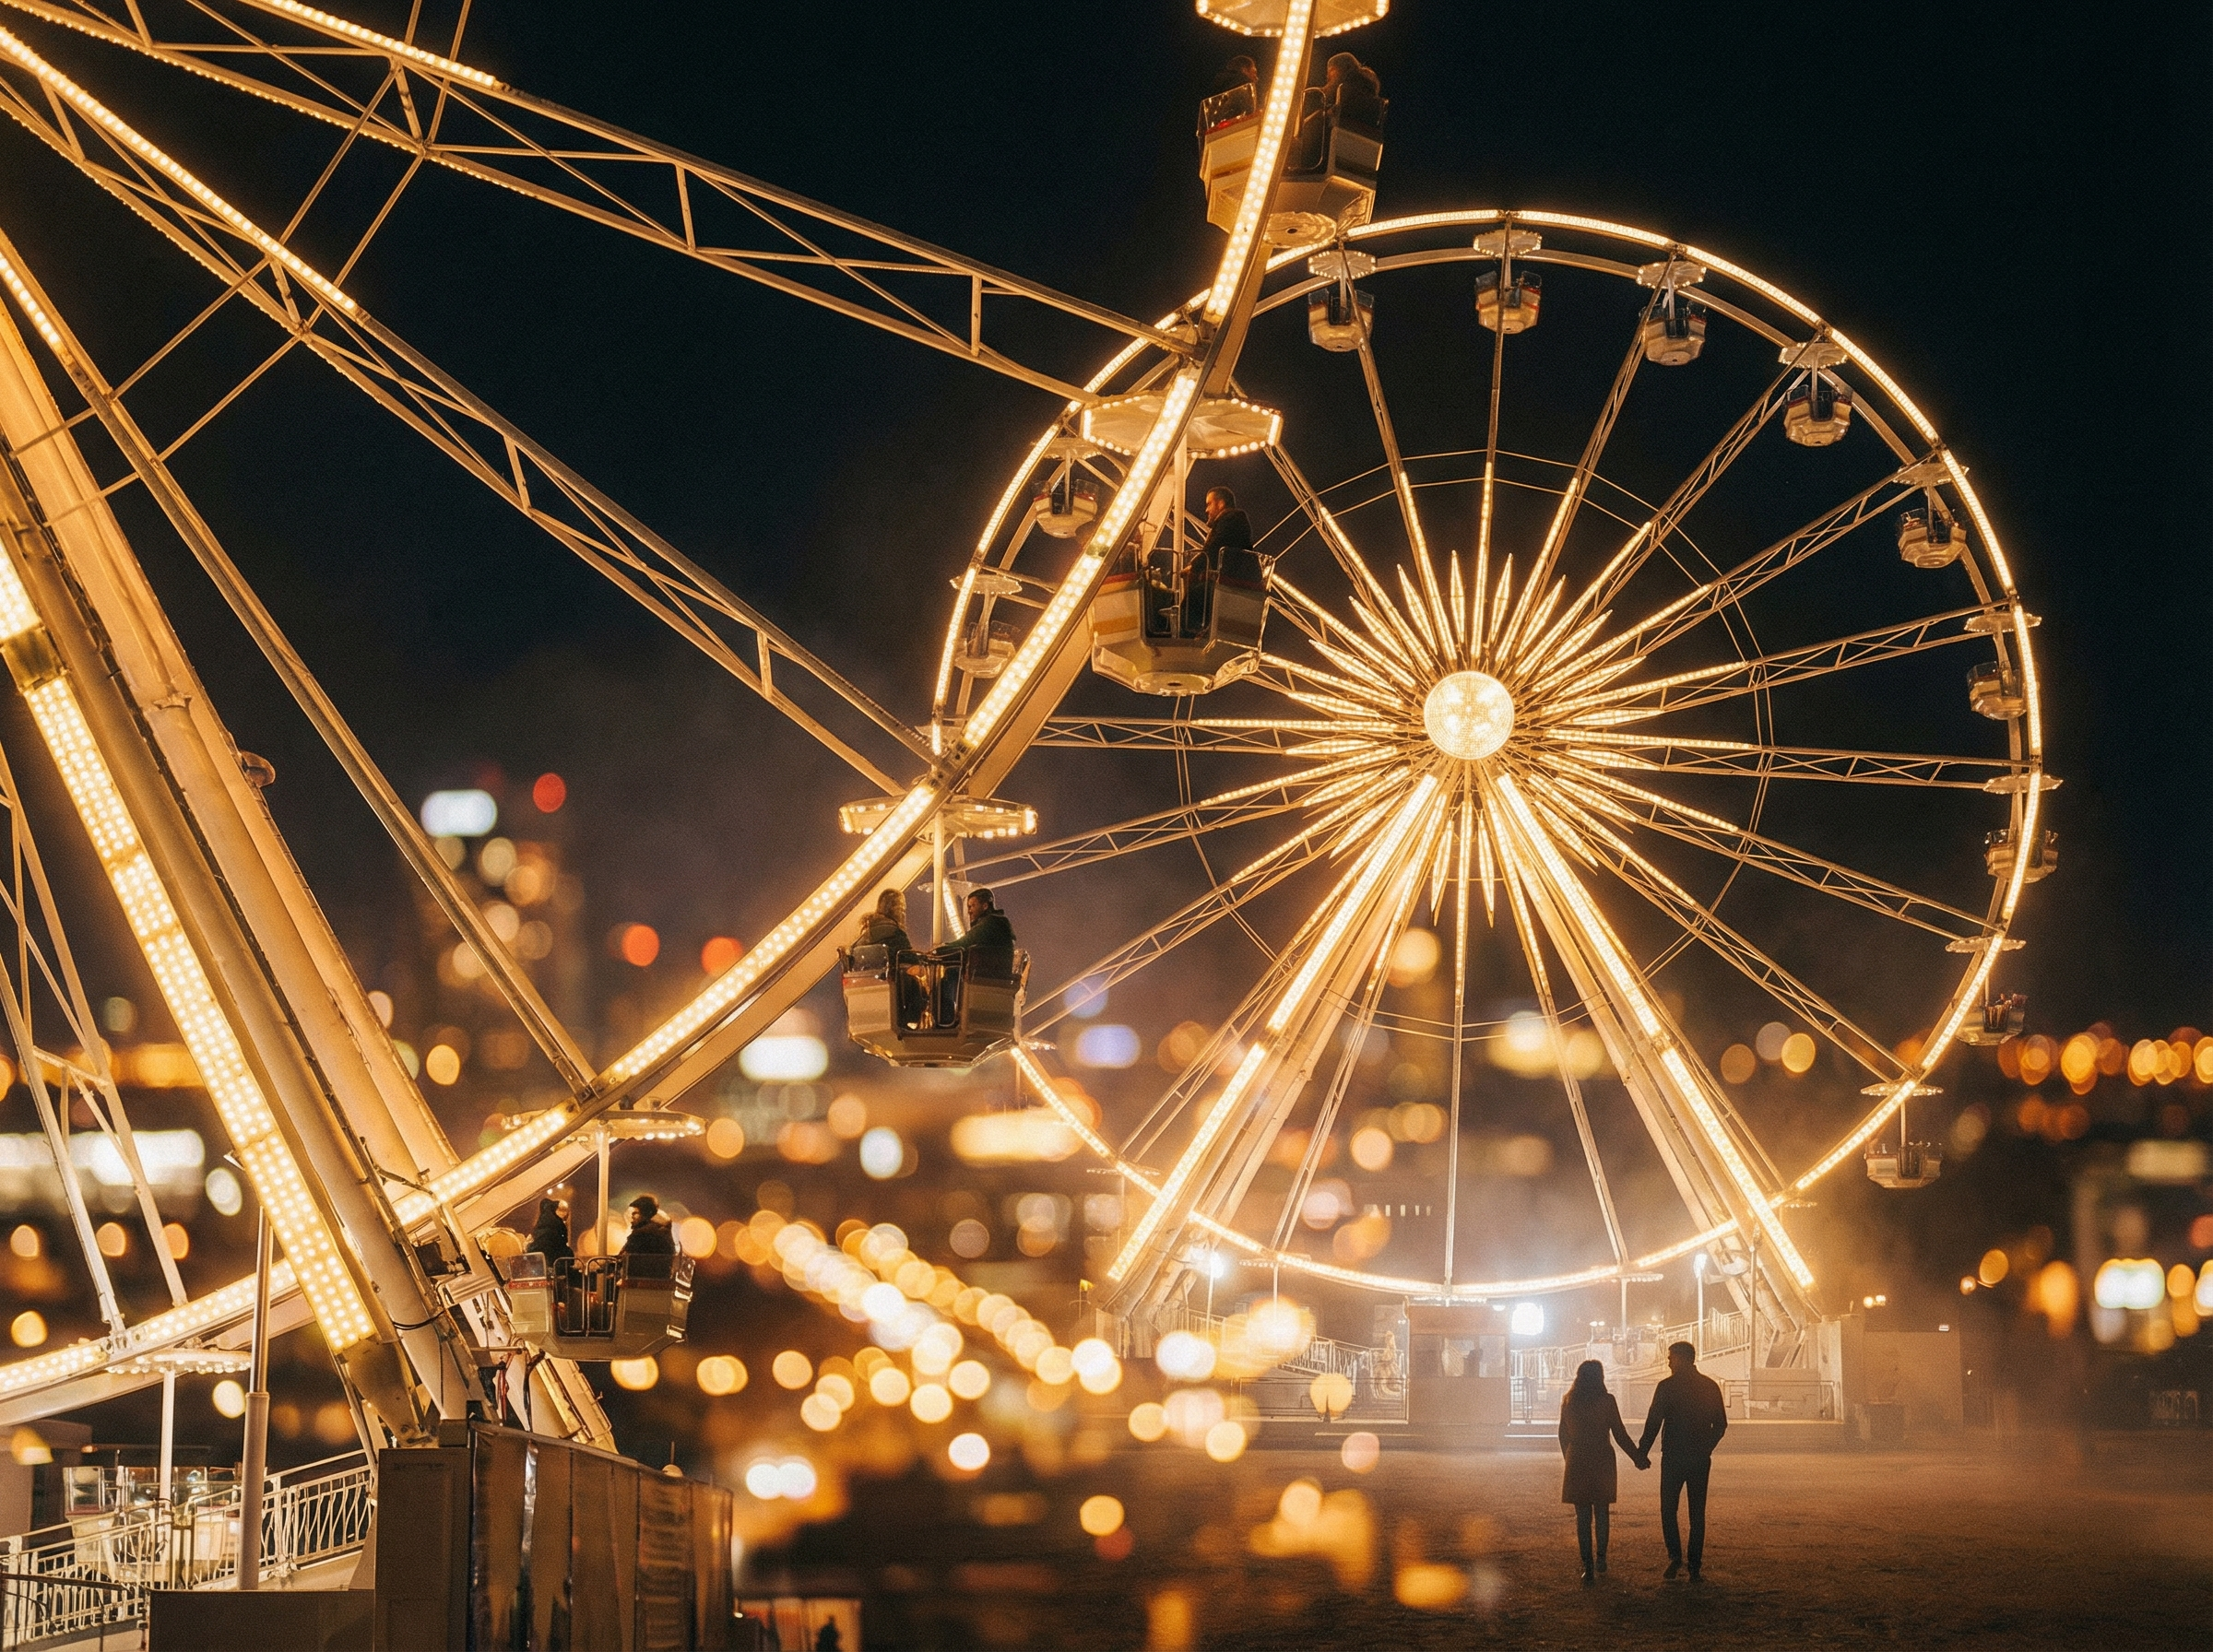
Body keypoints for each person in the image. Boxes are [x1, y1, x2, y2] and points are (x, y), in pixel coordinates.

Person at [1635, 1340, 1729, 1579]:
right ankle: (1694, 1563)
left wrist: (1642, 1451)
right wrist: (1706, 1447)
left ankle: (1675, 1557)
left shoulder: (1667, 1387)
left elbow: (1654, 1422)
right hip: (1698, 1457)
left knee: (1669, 1508)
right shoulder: (1709, 1386)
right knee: (1697, 1513)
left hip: (1673, 1456)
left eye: (1671, 1357)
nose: (1668, 1362)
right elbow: (1720, 1424)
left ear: (1681, 1358)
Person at [1559, 1360, 1642, 1583]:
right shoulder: (1607, 1401)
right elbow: (1620, 1433)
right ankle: (1601, 1558)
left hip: (1577, 1458)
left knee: (1582, 1517)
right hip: (1601, 1458)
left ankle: (1587, 1566)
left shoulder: (1568, 1401)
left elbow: (1562, 1434)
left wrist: (1569, 1458)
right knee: (1602, 1512)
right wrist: (1638, 1457)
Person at [932, 888, 1015, 1026]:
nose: (969, 910)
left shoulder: (991, 923)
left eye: (972, 906)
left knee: (947, 978)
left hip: (986, 976)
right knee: (953, 973)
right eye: (968, 907)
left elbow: (965, 943)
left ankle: (946, 1020)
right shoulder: (999, 922)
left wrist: (938, 951)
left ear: (985, 906)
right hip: (997, 975)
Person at [1182, 486, 1256, 634]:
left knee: (1193, 599)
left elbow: (1214, 547)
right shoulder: (1233, 520)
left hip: (1228, 584)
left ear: (1221, 504)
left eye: (1209, 504)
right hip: (1233, 583)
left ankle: (1184, 633)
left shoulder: (1231, 518)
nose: (1206, 510)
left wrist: (1193, 567)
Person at [854, 888, 921, 1028]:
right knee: (917, 985)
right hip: (892, 979)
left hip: (869, 980)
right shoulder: (893, 930)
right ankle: (910, 1020)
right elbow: (908, 955)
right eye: (900, 909)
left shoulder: (867, 929)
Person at [621, 1194, 678, 1258]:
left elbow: (624, 1258)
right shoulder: (663, 1232)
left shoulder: (640, 1235)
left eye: (635, 1213)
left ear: (646, 1214)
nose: (632, 1216)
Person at [526, 1197, 572, 1267]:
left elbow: (534, 1248)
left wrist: (527, 1246)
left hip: (543, 1266)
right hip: (557, 1264)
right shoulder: (559, 1225)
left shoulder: (542, 1227)